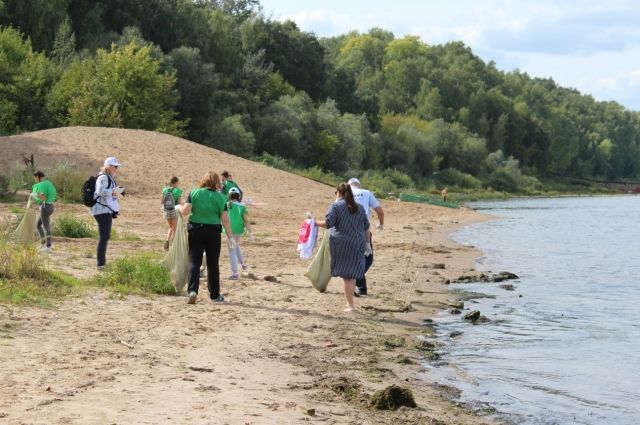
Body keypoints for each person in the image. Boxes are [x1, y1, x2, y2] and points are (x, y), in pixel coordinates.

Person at [177, 171, 235, 304]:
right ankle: (215, 295)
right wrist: (230, 237)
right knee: (213, 263)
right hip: (213, 232)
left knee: (194, 261)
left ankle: (192, 291)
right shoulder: (222, 198)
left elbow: (185, 211)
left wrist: (178, 207)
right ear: (217, 183)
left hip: (195, 230)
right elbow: (225, 220)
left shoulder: (194, 193)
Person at [316, 183, 370, 312]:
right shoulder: (360, 207)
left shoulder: (336, 206)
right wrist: (367, 244)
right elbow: (366, 227)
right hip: (358, 243)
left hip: (343, 244)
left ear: (338, 193)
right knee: (351, 274)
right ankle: (349, 304)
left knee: (347, 276)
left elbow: (328, 223)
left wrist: (313, 221)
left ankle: (350, 305)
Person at [347, 177, 384, 296]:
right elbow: (379, 211)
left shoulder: (344, 192)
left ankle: (362, 288)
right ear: (359, 185)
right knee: (368, 258)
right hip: (363, 230)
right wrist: (380, 223)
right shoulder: (367, 193)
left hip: (346, 230)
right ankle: (355, 279)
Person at [91, 157, 125, 269]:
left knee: (104, 236)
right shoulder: (104, 177)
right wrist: (114, 191)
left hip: (104, 209)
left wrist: (118, 192)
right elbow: (100, 192)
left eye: (117, 166)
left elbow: (109, 194)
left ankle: (101, 263)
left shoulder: (108, 177)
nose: (116, 168)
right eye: (115, 166)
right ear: (109, 166)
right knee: (104, 237)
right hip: (102, 210)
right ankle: (101, 264)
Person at [226, 187, 254, 279]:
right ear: (238, 196)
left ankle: (235, 274)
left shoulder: (226, 205)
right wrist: (250, 233)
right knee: (236, 246)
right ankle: (243, 265)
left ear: (229, 196)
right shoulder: (242, 206)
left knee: (232, 251)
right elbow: (246, 221)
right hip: (239, 231)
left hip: (230, 231)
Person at [31, 170, 57, 253]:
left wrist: (34, 194)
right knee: (38, 225)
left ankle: (48, 247)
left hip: (45, 208)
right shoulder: (48, 183)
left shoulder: (41, 185)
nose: (34, 179)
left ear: (38, 177)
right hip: (50, 206)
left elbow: (44, 197)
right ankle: (43, 244)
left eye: (35, 178)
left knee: (46, 227)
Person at [161, 176, 183, 251]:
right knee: (175, 229)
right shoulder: (178, 191)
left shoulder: (165, 190)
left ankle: (167, 241)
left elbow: (162, 202)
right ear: (176, 182)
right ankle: (173, 244)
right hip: (174, 209)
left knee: (170, 227)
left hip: (166, 210)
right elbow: (179, 203)